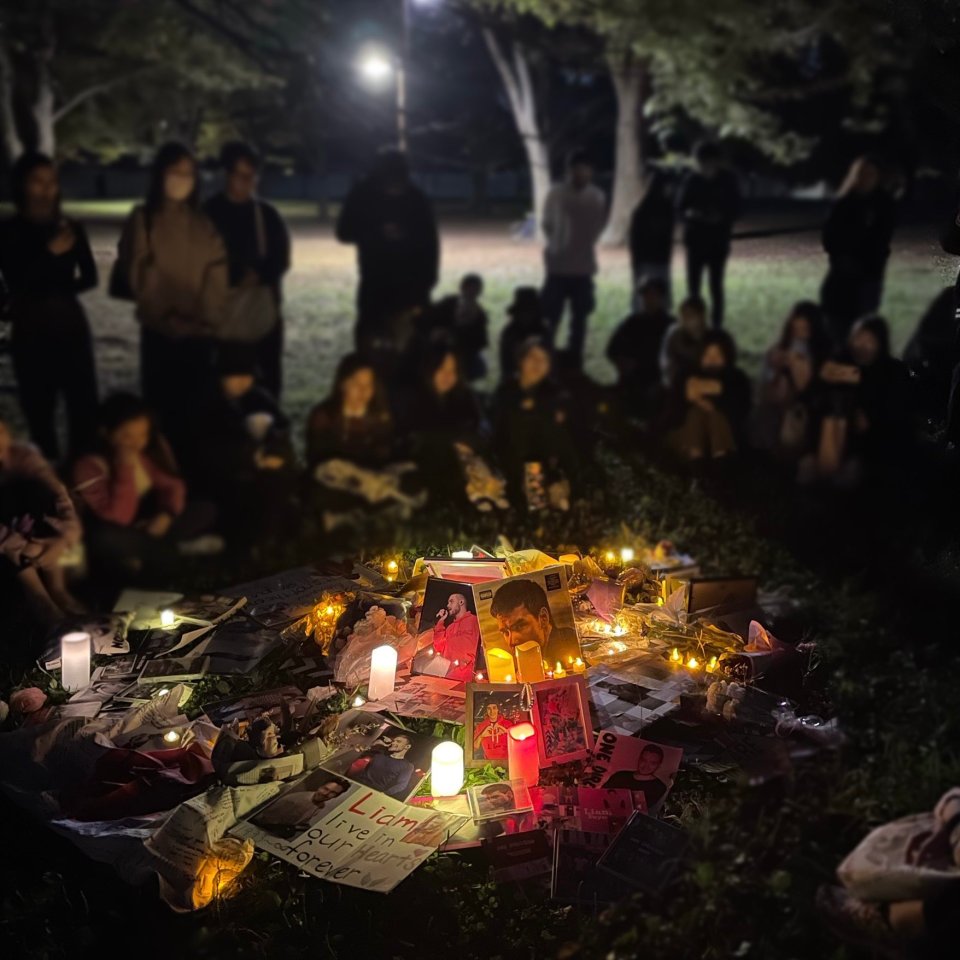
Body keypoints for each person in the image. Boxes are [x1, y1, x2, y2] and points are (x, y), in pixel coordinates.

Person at [116, 142, 228, 456]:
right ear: (160, 174)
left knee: (196, 414)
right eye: (175, 170)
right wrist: (165, 315)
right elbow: (138, 271)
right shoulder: (144, 219)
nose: (182, 178)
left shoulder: (204, 225)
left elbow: (217, 275)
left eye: (188, 172)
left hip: (198, 335)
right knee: (160, 414)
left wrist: (203, 318)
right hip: (159, 334)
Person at [0, 152, 98, 461]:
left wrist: (60, 290)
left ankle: (82, 483)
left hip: (70, 326)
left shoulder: (70, 227)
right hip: (32, 332)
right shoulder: (9, 232)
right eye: (38, 181)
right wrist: (48, 254)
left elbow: (90, 276)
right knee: (39, 413)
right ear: (22, 185)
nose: (47, 189)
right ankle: (46, 487)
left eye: (52, 181)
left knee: (83, 409)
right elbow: (15, 285)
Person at [72, 393, 219, 584]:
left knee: (204, 509)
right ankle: (173, 551)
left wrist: (167, 514)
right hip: (116, 531)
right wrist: (124, 467)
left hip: (147, 526)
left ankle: (150, 553)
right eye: (126, 436)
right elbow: (120, 517)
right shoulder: (89, 466)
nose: (136, 443)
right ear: (105, 432)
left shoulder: (142, 455)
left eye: (142, 435)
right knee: (105, 539)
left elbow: (172, 485)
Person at [188, 343, 298, 549]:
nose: (243, 383)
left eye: (247, 376)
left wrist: (276, 452)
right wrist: (252, 458)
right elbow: (207, 451)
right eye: (235, 377)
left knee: (280, 484)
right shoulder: (208, 405)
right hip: (225, 477)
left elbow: (280, 429)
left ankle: (271, 538)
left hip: (263, 469)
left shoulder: (259, 398)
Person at [204, 141, 291, 399]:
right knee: (221, 380)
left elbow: (281, 258)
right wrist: (229, 278)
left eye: (252, 176)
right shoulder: (209, 213)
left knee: (266, 378)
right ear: (227, 175)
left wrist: (260, 275)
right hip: (219, 315)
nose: (247, 182)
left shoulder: (267, 214)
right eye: (241, 176)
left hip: (261, 313)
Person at [336, 148, 439, 358]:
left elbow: (430, 243)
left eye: (400, 185)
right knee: (371, 344)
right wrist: (376, 232)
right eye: (391, 185)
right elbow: (344, 231)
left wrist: (427, 281)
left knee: (414, 347)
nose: (395, 190)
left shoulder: (416, 199)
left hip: (413, 285)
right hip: (375, 283)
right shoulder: (362, 195)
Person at [305, 354, 423, 527]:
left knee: (410, 478)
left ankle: (360, 516)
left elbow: (386, 454)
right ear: (343, 384)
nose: (363, 391)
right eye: (356, 384)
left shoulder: (381, 415)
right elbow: (318, 459)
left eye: (368, 385)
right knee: (322, 488)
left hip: (375, 478)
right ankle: (368, 513)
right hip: (343, 482)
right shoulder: (325, 415)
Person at [803, 315, 913, 485]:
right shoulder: (840, 362)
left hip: (875, 443)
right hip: (835, 434)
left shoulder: (893, 372)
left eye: (869, 340)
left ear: (880, 343)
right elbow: (817, 396)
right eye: (857, 338)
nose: (861, 345)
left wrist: (872, 419)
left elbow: (898, 414)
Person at [399, 346, 505, 511]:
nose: (448, 376)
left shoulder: (465, 398)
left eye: (453, 370)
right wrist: (456, 441)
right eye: (442, 369)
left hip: (473, 462)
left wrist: (466, 443)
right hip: (432, 469)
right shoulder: (415, 399)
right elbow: (415, 438)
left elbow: (483, 432)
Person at [0, 418, 84, 626]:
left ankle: (58, 589)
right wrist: (24, 548)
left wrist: (63, 539)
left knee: (40, 492)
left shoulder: (21, 456)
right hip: (7, 549)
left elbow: (56, 492)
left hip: (26, 536)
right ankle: (40, 600)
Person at [493, 339, 580, 510]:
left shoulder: (555, 393)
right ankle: (537, 503)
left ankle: (565, 494)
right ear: (520, 361)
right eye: (532, 357)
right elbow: (502, 431)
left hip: (549, 458)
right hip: (514, 458)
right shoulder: (506, 391)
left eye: (543, 359)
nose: (537, 364)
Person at [820, 155, 898, 343]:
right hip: (840, 277)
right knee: (836, 330)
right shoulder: (843, 203)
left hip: (867, 278)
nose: (866, 178)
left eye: (871, 174)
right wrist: (843, 257)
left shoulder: (883, 205)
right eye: (862, 174)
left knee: (861, 330)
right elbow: (829, 238)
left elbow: (880, 239)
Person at [540, 150, 607, 366]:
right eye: (578, 168)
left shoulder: (596, 195)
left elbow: (597, 227)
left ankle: (574, 360)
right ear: (570, 170)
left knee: (580, 319)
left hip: (583, 267)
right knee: (551, 317)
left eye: (586, 169)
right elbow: (547, 224)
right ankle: (547, 357)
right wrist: (558, 245)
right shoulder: (556, 194)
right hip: (558, 266)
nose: (583, 173)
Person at [753, 301, 831, 458]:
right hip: (775, 404)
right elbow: (764, 385)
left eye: (805, 327)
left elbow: (808, 388)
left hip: (806, 406)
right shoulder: (779, 349)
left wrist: (797, 364)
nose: (799, 330)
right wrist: (773, 366)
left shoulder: (822, 353)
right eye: (796, 326)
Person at [676, 141, 741, 328]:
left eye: (708, 161)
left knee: (716, 286)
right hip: (695, 240)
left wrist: (721, 217)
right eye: (702, 162)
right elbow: (680, 208)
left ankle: (716, 326)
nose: (705, 166)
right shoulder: (691, 180)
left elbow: (737, 208)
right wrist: (692, 215)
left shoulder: (728, 180)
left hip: (718, 241)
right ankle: (694, 324)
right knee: (693, 288)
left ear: (716, 161)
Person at [662, 329, 752, 462]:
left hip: (722, 434)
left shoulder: (736, 379)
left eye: (717, 355)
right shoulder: (685, 375)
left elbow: (739, 411)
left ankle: (720, 463)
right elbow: (675, 410)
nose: (712, 361)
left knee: (714, 417)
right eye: (707, 355)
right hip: (685, 434)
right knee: (695, 415)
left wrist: (706, 401)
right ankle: (697, 462)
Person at [606, 277, 675, 417]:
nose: (649, 299)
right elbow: (612, 349)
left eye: (653, 295)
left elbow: (679, 359)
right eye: (646, 295)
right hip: (633, 380)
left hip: (660, 381)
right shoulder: (632, 322)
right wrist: (623, 364)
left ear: (661, 298)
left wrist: (663, 382)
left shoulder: (671, 325)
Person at [488, 576, 581, 668]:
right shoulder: (520, 663)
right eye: (505, 632)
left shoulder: (572, 645)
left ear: (543, 618)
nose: (511, 642)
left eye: (519, 627)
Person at [418, 274, 489, 382]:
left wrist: (458, 339)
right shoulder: (447, 304)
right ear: (462, 288)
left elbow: (480, 341)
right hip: (437, 348)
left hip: (462, 354)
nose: (472, 293)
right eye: (470, 289)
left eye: (476, 291)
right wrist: (434, 333)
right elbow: (426, 320)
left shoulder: (479, 315)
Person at [629, 168, 675, 310]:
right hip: (657, 260)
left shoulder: (642, 209)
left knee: (644, 297)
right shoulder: (665, 209)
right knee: (658, 297)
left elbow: (634, 239)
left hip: (647, 260)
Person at [251, 774, 348, 838]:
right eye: (325, 789)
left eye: (333, 793)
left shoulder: (320, 805)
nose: (326, 794)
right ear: (320, 787)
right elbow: (266, 818)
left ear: (336, 796)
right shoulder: (297, 800)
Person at [499, 287, 551, 383]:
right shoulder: (510, 332)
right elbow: (506, 364)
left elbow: (550, 359)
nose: (526, 316)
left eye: (529, 312)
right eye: (523, 312)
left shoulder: (543, 331)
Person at [347, 733, 417, 800]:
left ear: (407, 746)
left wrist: (384, 794)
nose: (393, 743)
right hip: (356, 783)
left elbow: (401, 785)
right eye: (393, 741)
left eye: (398, 741)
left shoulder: (407, 766)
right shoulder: (380, 753)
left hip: (373, 792)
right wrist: (376, 743)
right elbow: (359, 750)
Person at [660, 295, 709, 387]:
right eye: (683, 315)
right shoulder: (674, 334)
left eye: (690, 315)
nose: (685, 319)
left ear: (701, 316)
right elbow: (665, 361)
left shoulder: (711, 338)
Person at [431, 592, 481, 681]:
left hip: (471, 678)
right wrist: (441, 621)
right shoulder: (450, 628)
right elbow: (438, 647)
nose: (447, 605)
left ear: (461, 602)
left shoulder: (475, 621)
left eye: (451, 601)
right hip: (448, 677)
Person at [603, 744, 668, 811]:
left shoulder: (659, 787)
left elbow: (642, 810)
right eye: (643, 760)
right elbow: (600, 795)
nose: (646, 766)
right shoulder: (620, 775)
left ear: (659, 765)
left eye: (653, 763)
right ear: (639, 759)